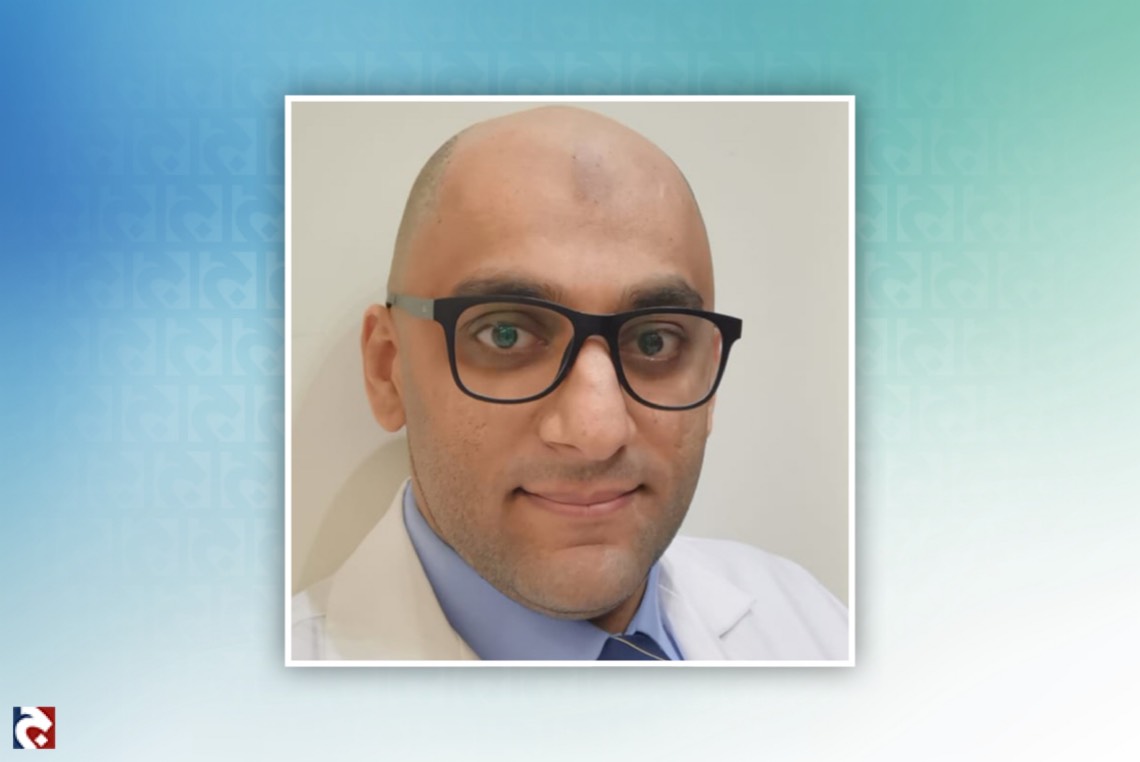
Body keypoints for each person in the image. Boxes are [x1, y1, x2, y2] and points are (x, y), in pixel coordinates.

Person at [291, 105, 848, 661]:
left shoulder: (814, 624)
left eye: (655, 341)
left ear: (709, 376)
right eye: (506, 334)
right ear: (387, 370)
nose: (597, 432)